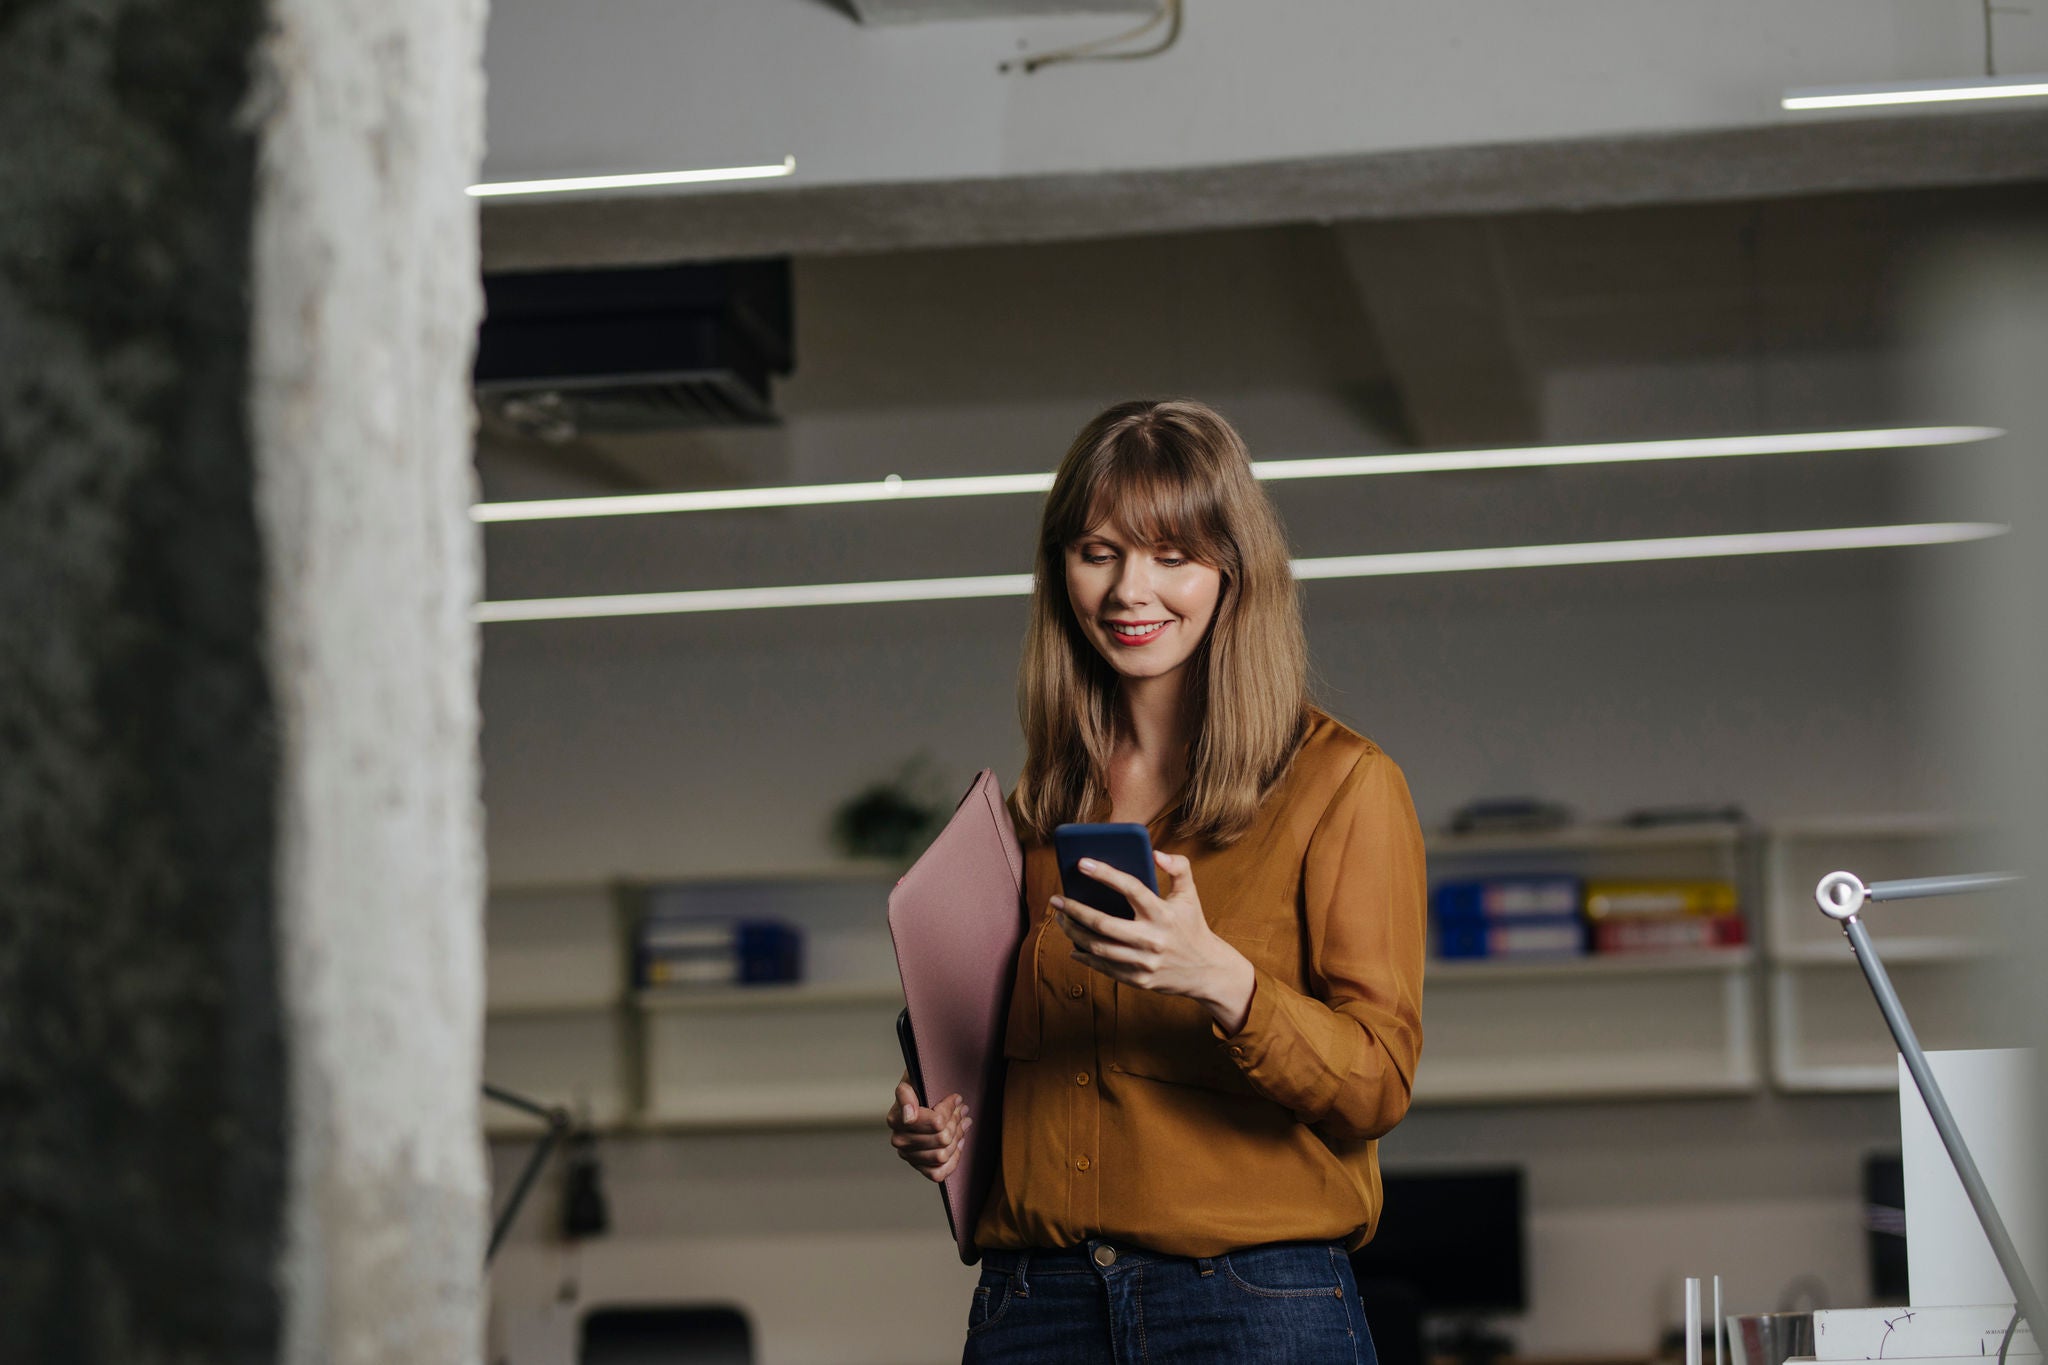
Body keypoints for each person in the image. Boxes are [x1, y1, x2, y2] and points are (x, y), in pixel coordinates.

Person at [885, 398, 1427, 1364]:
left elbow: (1378, 1084)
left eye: (1172, 555)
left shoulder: (1341, 784)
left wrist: (1219, 977)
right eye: (1098, 552)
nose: (1131, 590)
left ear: (1231, 569)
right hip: (1035, 1302)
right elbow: (1032, 1056)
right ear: (1061, 570)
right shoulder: (1041, 802)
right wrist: (944, 1120)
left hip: (1251, 1304)